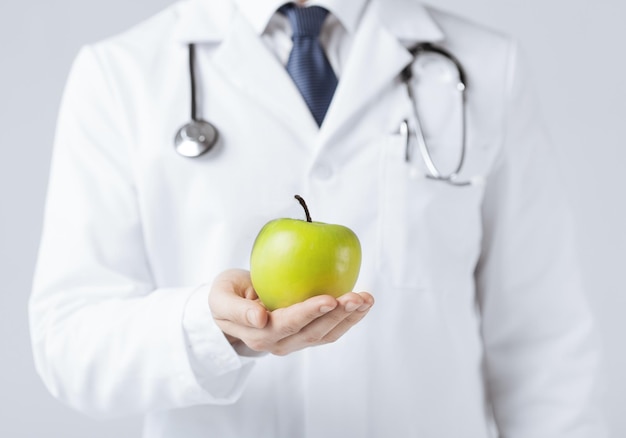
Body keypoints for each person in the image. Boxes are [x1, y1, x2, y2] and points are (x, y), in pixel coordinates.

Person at [30, 0, 605, 436]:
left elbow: (544, 345)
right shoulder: (120, 75)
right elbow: (69, 341)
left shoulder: (485, 68)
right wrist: (212, 330)